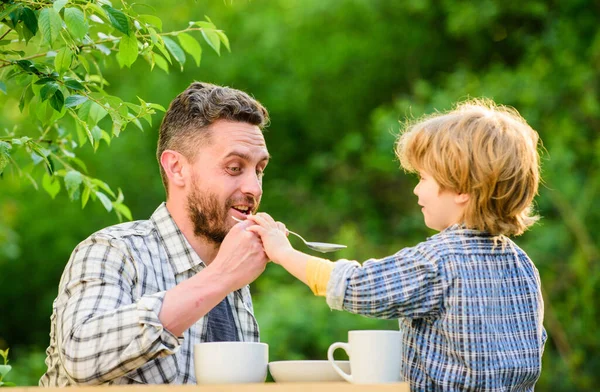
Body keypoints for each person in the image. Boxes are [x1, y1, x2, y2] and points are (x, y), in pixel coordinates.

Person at [245, 99, 547, 391]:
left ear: (462, 190)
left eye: (423, 177)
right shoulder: (522, 265)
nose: (416, 190)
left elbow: (356, 286)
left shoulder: (440, 261)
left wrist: (283, 253)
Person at [40, 82, 271, 386]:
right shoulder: (112, 251)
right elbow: (82, 356)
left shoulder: (233, 279)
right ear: (177, 168)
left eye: (259, 170)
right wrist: (220, 278)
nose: (254, 187)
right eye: (233, 167)